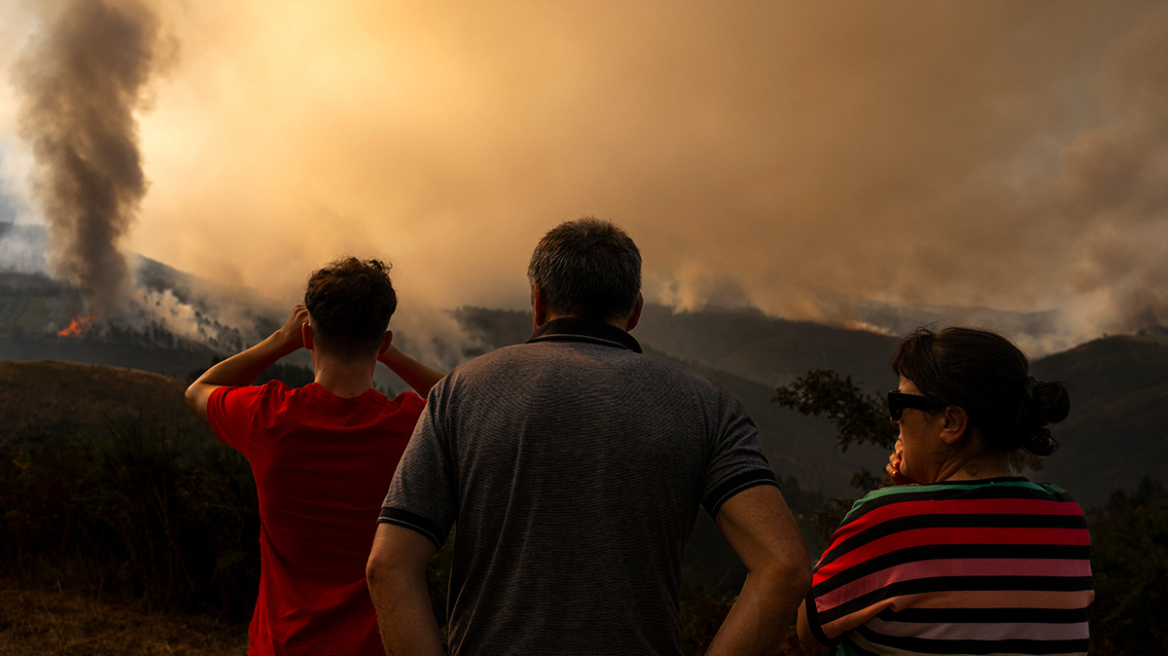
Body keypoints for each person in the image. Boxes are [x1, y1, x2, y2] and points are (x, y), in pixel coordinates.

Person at [366, 217, 811, 656]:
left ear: (538, 302)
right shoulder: (708, 406)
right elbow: (785, 565)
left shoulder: (459, 394)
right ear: (634, 310)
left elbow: (388, 565)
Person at [185, 257, 444, 656]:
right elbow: (466, 399)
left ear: (308, 336)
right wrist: (386, 353)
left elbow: (200, 388)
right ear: (384, 341)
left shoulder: (266, 416)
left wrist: (280, 339)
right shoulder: (412, 424)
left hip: (282, 645)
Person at [798, 327, 1094, 655]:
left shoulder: (886, 521)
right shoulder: (1066, 517)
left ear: (951, 423)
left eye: (899, 402)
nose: (893, 419)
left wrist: (907, 500)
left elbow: (810, 631)